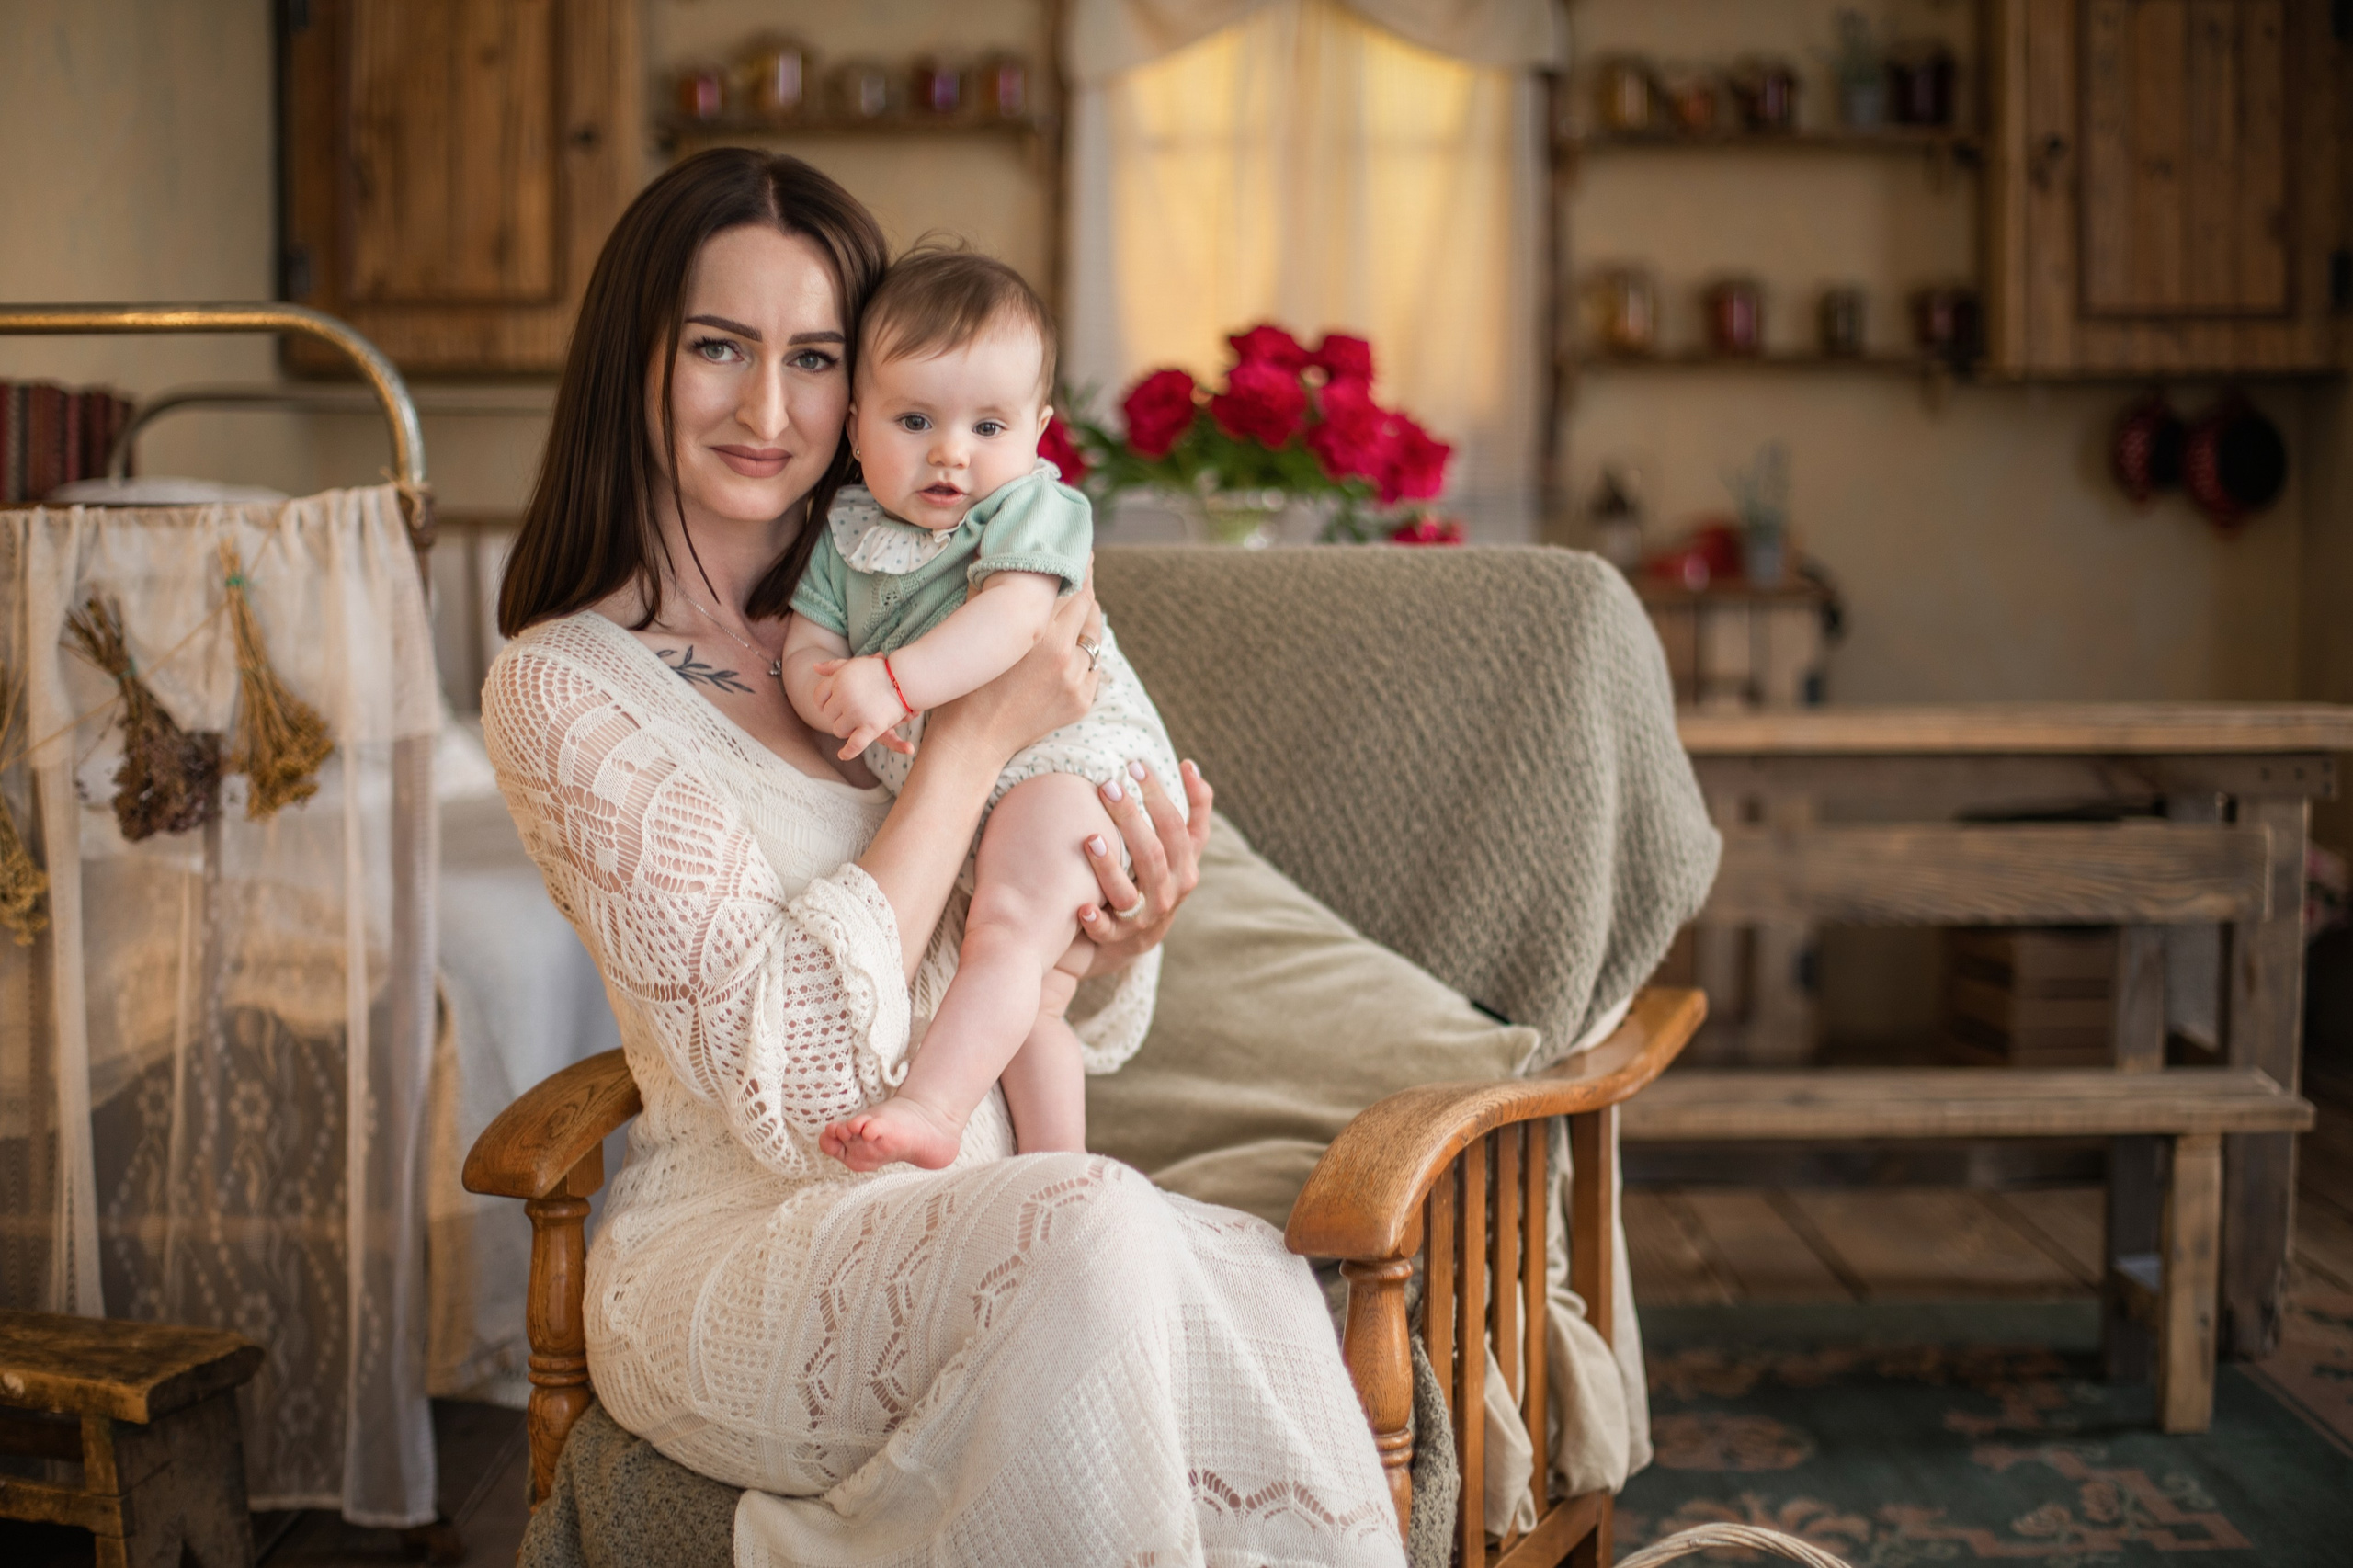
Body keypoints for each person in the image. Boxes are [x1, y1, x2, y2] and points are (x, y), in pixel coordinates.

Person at [483, 147, 1404, 1567]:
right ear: (637, 359)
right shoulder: (568, 691)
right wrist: (966, 744)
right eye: (719, 347)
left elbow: (1076, 995)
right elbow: (795, 1097)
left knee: (1180, 1255)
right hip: (741, 1251)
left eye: (814, 358)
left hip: (1005, 1200)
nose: (766, 408)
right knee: (1103, 1228)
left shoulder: (948, 577)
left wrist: (1118, 925)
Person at [782, 245, 1182, 1173]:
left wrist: (894, 682)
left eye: (989, 424)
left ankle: (932, 1104)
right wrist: (819, 684)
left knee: (1003, 928)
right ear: (854, 426)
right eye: (914, 419)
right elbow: (809, 639)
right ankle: (1060, 1175)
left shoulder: (1030, 512)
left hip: (1070, 758)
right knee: (1029, 992)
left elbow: (1012, 624)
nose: (951, 452)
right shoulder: (845, 534)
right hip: (987, 785)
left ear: (1039, 432)